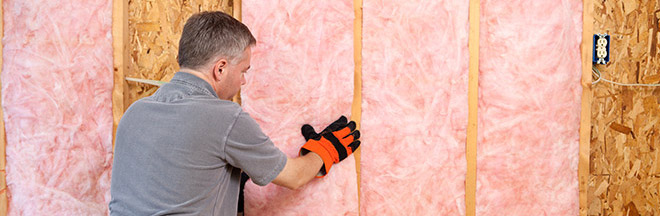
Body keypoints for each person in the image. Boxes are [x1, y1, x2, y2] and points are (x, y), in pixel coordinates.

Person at [108, 11, 360, 216]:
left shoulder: (134, 113)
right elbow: (294, 176)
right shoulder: (225, 117)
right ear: (220, 69)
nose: (243, 81)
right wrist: (325, 149)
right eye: (243, 71)